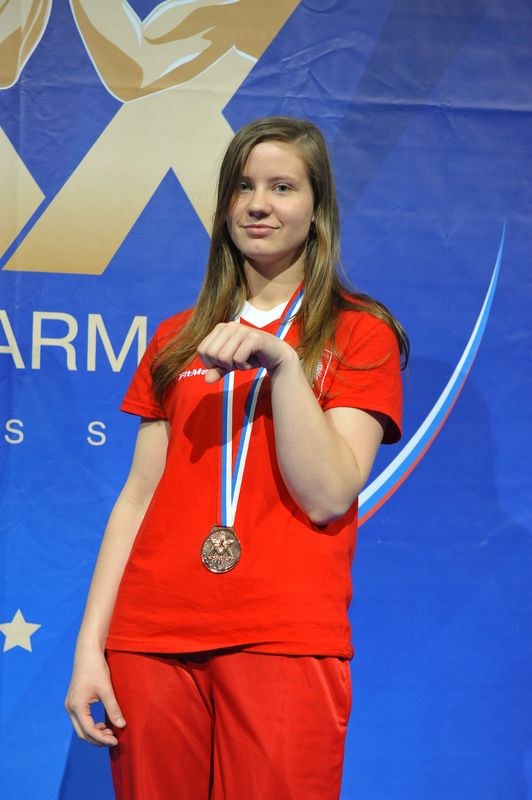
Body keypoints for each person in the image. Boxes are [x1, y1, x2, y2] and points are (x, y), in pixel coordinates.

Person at [65, 116, 408, 799]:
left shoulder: (358, 332)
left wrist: (284, 365)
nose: (259, 204)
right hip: (151, 636)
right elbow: (138, 498)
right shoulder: (177, 337)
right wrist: (89, 648)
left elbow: (328, 494)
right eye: (243, 187)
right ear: (224, 207)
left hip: (281, 633)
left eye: (283, 187)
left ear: (317, 207)